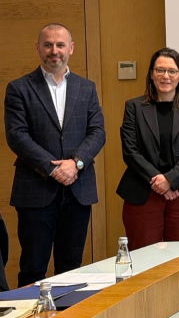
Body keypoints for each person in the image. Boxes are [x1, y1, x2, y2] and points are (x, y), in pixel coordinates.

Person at [3, 23, 106, 287]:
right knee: (32, 267)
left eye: (60, 45)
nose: (54, 51)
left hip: (78, 190)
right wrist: (53, 168)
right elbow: (17, 135)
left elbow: (97, 132)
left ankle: (67, 310)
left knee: (71, 268)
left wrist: (76, 163)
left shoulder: (87, 88)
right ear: (38, 48)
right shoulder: (19, 88)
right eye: (48, 45)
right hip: (36, 190)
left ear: (71, 48)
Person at [117, 48, 179, 251]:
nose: (165, 76)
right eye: (160, 70)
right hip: (143, 191)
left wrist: (170, 180)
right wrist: (159, 181)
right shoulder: (134, 107)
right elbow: (130, 151)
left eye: (172, 71)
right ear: (151, 74)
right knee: (144, 256)